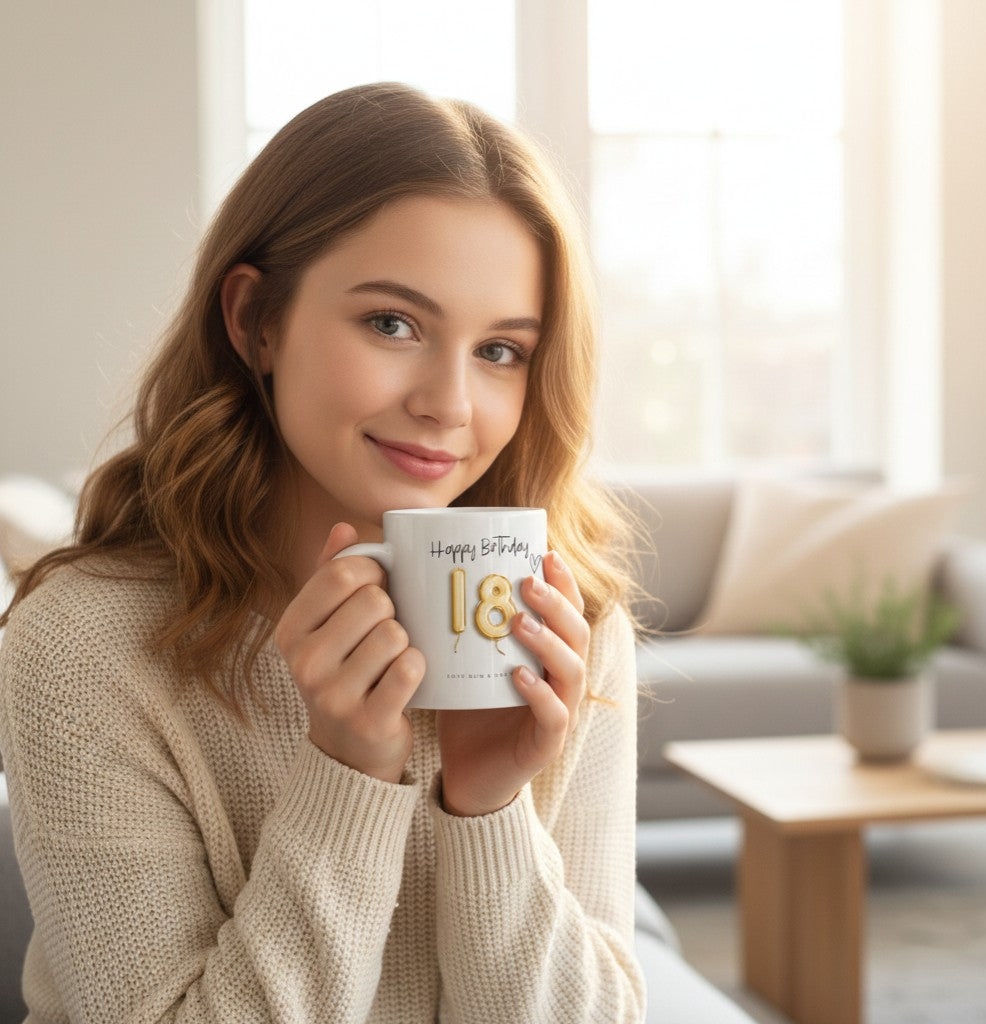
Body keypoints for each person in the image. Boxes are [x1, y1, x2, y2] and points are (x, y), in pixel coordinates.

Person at [0, 82, 645, 1022]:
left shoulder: (564, 622)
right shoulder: (83, 646)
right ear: (255, 320)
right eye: (393, 324)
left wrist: (489, 806)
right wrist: (346, 777)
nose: (449, 405)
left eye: (500, 351)